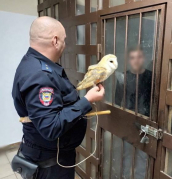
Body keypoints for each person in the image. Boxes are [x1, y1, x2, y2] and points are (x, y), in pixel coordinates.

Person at [12, 16, 105, 179]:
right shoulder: (40, 75)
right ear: (55, 40)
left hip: (48, 154)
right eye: (64, 40)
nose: (64, 44)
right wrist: (87, 100)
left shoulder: (32, 62)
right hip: (49, 163)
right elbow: (50, 127)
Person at [115, 47, 152, 117]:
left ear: (144, 58)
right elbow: (117, 101)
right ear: (129, 60)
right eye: (132, 58)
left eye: (139, 57)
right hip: (128, 116)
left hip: (147, 119)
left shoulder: (152, 76)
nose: (136, 61)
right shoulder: (123, 77)